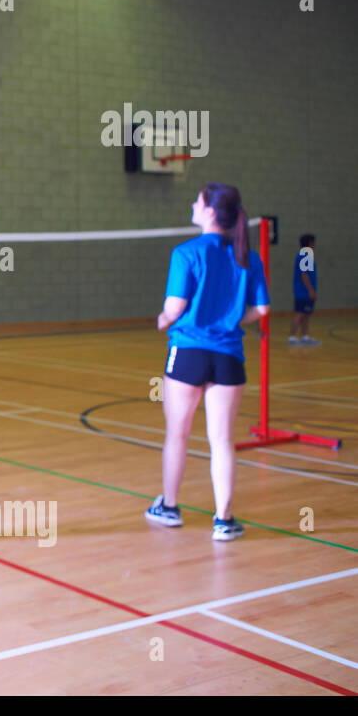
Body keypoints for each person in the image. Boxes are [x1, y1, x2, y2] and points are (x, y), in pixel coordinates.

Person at [147, 183, 269, 542]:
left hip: (188, 352)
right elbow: (261, 310)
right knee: (222, 441)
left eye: (197, 201)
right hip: (229, 357)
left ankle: (168, 507)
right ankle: (224, 519)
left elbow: (175, 306)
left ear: (210, 212)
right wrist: (229, 321)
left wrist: (163, 319)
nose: (193, 205)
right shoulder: (249, 256)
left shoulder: (186, 253)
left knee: (177, 435)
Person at [288, 233, 318, 346]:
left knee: (306, 314)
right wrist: (311, 291)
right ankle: (292, 337)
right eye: (313, 242)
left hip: (306, 292)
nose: (314, 244)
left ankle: (305, 336)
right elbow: (304, 275)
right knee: (300, 314)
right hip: (303, 292)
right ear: (310, 243)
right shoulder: (305, 255)